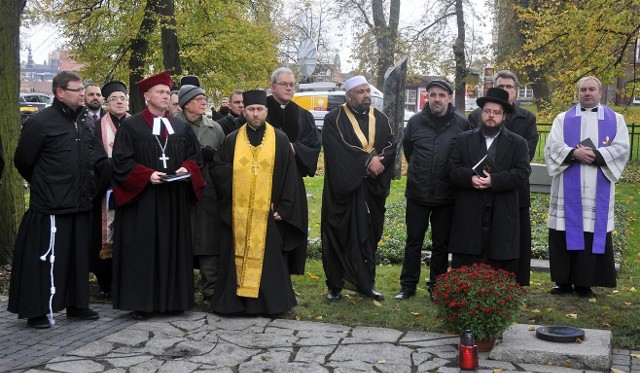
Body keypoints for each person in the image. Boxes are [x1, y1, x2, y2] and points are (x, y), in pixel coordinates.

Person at [8, 71, 108, 329]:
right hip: (51, 205)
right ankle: (38, 309)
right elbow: (23, 161)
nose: (83, 94)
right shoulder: (40, 122)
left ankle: (77, 304)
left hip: (80, 201)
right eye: (77, 90)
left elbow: (95, 158)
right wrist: (47, 184)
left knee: (77, 257)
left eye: (82, 89)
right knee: (47, 258)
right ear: (60, 92)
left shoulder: (86, 121)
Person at [111, 71, 205, 320]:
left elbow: (195, 157)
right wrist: (146, 176)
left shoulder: (180, 127)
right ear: (147, 96)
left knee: (173, 248)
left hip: (173, 201)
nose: (166, 96)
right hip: (143, 202)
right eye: (161, 92)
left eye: (167, 92)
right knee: (144, 250)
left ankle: (174, 301)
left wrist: (187, 168)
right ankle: (143, 303)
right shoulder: (131, 127)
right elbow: (120, 163)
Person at [211, 90, 307, 316]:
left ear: (266, 111)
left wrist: (284, 206)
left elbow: (290, 176)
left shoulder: (280, 140)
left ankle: (269, 304)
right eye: (251, 110)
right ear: (244, 111)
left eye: (259, 110)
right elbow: (218, 170)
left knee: (270, 260)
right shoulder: (232, 139)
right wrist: (236, 179)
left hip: (268, 213)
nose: (255, 114)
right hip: (239, 213)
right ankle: (235, 304)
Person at [544, 76, 629, 297]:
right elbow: (552, 146)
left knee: (591, 232)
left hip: (596, 186)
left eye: (592, 89)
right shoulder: (562, 119)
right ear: (578, 93)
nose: (587, 93)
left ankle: (584, 283)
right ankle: (562, 282)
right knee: (562, 232)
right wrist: (573, 153)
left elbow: (622, 148)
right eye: (583, 90)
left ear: (600, 92)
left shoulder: (616, 119)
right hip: (566, 187)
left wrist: (597, 155)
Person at [321, 75, 397, 302]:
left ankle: (367, 284)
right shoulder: (333, 119)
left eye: (368, 91)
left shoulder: (380, 118)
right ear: (349, 96)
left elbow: (392, 146)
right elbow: (336, 150)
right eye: (361, 92)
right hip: (343, 192)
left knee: (368, 236)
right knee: (339, 235)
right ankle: (335, 286)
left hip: (371, 191)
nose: (366, 96)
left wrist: (380, 162)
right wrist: (366, 163)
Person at [395, 79, 469, 300]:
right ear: (427, 97)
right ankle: (407, 286)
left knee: (441, 244)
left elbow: (465, 155)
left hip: (447, 194)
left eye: (441, 95)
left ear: (449, 97)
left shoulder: (462, 124)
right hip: (418, 192)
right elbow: (409, 149)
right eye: (432, 95)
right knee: (413, 241)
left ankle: (437, 287)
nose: (436, 99)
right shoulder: (416, 122)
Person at [448, 87, 531, 274]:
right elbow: (452, 170)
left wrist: (494, 181)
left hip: (502, 210)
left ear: (504, 116)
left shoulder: (518, 143)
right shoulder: (463, 140)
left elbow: (522, 173)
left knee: (499, 260)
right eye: (487, 111)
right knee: (467, 264)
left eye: (496, 112)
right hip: (470, 209)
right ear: (481, 113)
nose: (491, 116)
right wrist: (470, 178)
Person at [468, 70, 539, 286]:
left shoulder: (526, 118)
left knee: (513, 239)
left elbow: (528, 151)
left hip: (513, 190)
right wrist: (484, 176)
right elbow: (471, 149)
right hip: (479, 187)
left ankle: (513, 284)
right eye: (501, 86)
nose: (506, 90)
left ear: (516, 92)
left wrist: (497, 178)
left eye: (509, 87)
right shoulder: (475, 116)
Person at [174, 81, 225, 302]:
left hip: (208, 191)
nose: (203, 102)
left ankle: (210, 288)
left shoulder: (215, 128)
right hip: (179, 191)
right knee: (180, 239)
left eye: (204, 98)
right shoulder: (171, 125)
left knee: (208, 239)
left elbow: (223, 160)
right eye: (197, 99)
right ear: (185, 105)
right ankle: (180, 288)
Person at [89, 81, 130, 299]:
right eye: (114, 98)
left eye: (123, 98)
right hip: (106, 193)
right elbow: (95, 161)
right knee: (104, 238)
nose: (120, 102)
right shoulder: (96, 128)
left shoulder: (138, 124)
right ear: (107, 103)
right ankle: (106, 282)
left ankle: (128, 280)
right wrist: (120, 167)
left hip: (133, 191)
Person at [266, 67, 321, 178]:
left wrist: (294, 148)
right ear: (272, 87)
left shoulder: (304, 115)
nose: (289, 88)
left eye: (292, 85)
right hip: (264, 173)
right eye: (284, 84)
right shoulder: (259, 110)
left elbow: (312, 143)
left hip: (292, 175)